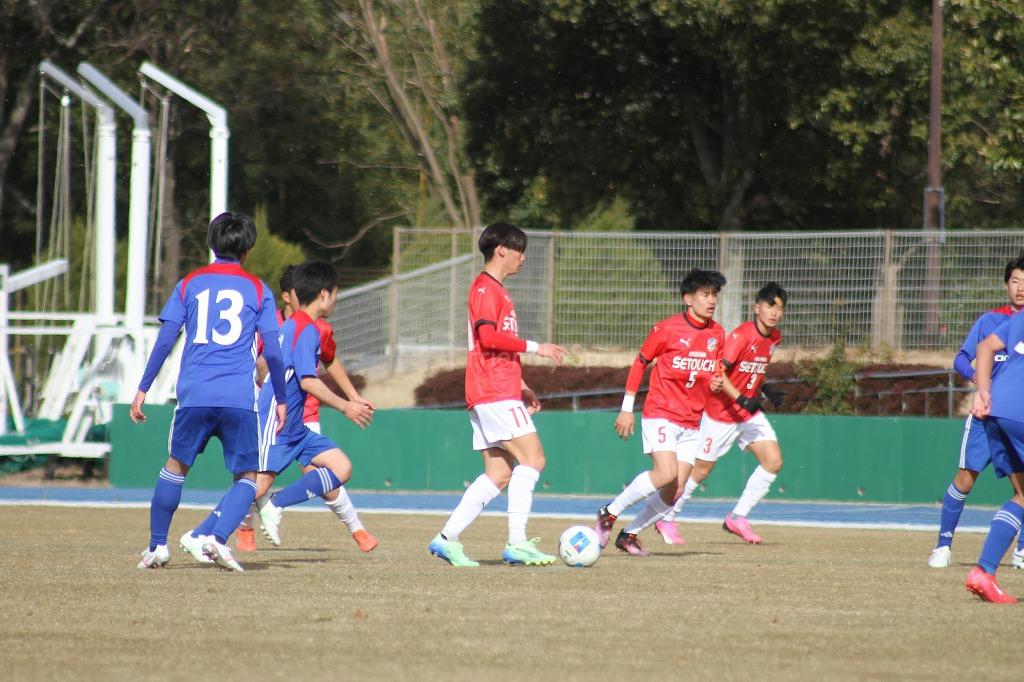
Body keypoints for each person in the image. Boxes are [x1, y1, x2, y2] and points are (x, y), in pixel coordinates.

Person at [131, 212, 288, 572]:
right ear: (248, 248)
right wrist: (280, 398)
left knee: (175, 467)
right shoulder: (259, 289)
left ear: (211, 244)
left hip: (195, 394)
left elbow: (166, 339)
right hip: (238, 397)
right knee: (248, 477)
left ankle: (157, 546)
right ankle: (216, 539)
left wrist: (142, 388)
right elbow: (274, 351)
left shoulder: (190, 284)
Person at [428, 222, 567, 567]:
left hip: (498, 389)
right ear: (501, 249)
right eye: (519, 250)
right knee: (533, 459)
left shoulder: (499, 292)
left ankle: (446, 539)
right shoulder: (485, 290)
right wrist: (539, 347)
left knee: (499, 474)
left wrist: (521, 385)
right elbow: (488, 338)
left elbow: (496, 348)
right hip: (492, 391)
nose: (523, 257)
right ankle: (517, 542)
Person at [235, 265, 378, 553]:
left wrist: (353, 397)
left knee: (334, 472)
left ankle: (356, 529)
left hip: (303, 416)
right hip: (278, 413)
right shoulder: (275, 325)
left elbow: (330, 361)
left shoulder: (316, 328)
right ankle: (221, 532)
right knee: (257, 483)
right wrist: (344, 406)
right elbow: (297, 376)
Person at [594, 269, 726, 556]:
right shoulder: (666, 329)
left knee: (675, 490)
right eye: (705, 294)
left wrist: (715, 380)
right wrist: (626, 409)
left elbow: (713, 372)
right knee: (665, 473)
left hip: (692, 422)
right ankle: (609, 511)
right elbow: (639, 363)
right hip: (661, 412)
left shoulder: (717, 334)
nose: (712, 300)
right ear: (688, 298)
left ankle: (629, 535)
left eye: (714, 294)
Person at [647, 282, 787, 546]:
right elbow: (718, 371)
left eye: (779, 308)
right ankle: (667, 516)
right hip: (720, 412)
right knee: (700, 470)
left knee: (773, 461)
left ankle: (738, 517)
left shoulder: (774, 338)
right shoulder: (741, 336)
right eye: (769, 306)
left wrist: (766, 388)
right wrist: (742, 398)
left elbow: (753, 369)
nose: (774, 312)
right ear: (756, 308)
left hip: (747, 414)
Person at [929, 254, 1024, 568]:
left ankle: (1020, 551)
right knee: (965, 480)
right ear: (1006, 285)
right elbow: (961, 358)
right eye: (1015, 281)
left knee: (1020, 488)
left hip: (1014, 417)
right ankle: (943, 545)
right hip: (985, 418)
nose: (1020, 288)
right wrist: (980, 383)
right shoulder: (989, 322)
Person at [963, 304, 1024, 603]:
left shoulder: (1021, 318)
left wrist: (983, 391)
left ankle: (983, 572)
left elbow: (985, 347)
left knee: (1023, 495)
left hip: (998, 407)